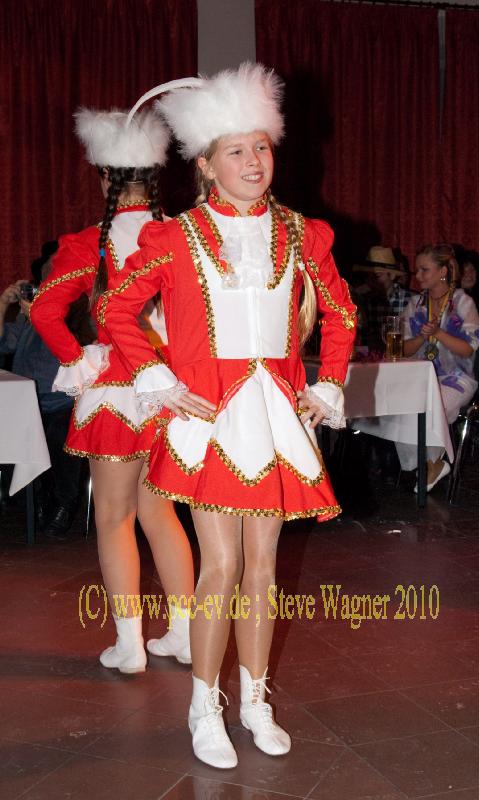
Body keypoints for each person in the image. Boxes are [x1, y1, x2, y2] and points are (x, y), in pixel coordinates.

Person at [98, 63, 356, 768]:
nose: (252, 161)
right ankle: (203, 706)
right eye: (235, 150)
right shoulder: (175, 236)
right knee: (221, 565)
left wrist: (327, 385)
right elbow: (116, 309)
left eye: (261, 147)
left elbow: (340, 313)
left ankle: (254, 701)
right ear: (207, 166)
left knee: (263, 568)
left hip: (272, 416)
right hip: (209, 419)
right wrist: (155, 375)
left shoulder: (302, 233)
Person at [31, 104, 194, 672]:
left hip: (117, 396)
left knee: (114, 517)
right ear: (155, 176)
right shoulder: (180, 235)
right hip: (172, 396)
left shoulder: (89, 243)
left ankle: (129, 645)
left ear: (105, 176)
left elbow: (45, 312)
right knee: (162, 515)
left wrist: (79, 358)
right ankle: (185, 634)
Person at [0, 255, 84, 536]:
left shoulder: (75, 307)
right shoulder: (31, 312)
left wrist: (42, 318)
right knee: (8, 433)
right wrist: (3, 304)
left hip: (63, 400)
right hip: (26, 401)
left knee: (60, 437)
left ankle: (64, 504)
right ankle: (30, 501)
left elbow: (76, 351)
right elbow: (3, 345)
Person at [398, 243, 479, 491]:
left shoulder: (463, 302)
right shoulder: (416, 304)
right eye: (417, 270)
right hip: (421, 377)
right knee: (401, 402)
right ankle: (427, 465)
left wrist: (438, 333)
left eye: (424, 270)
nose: (418, 276)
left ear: (443, 271)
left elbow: (467, 349)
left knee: (433, 403)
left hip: (457, 378)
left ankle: (431, 465)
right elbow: (404, 349)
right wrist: (422, 337)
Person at [352, 246, 412, 351]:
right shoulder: (362, 298)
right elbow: (358, 336)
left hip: (399, 356)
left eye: (377, 275)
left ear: (392, 276)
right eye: (368, 275)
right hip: (370, 356)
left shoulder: (408, 299)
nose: (372, 280)